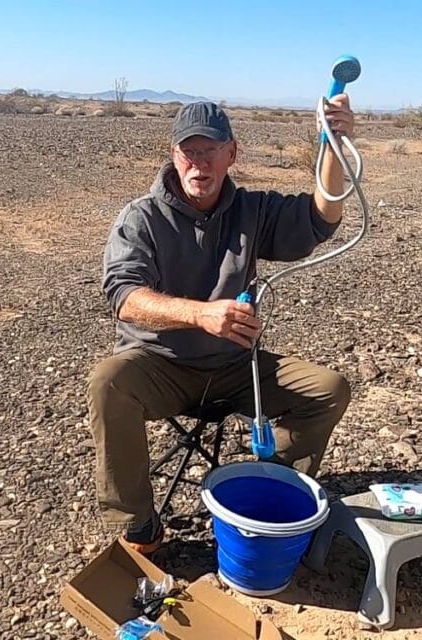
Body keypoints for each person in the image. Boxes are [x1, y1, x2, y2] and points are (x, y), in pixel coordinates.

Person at [88, 98, 355, 554]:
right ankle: (137, 523)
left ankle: (273, 496)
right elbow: (124, 298)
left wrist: (332, 144)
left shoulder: (253, 210)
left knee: (328, 388)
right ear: (173, 156)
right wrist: (200, 314)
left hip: (235, 367)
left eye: (210, 150)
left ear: (232, 153)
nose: (199, 163)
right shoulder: (141, 218)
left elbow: (321, 217)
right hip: (161, 365)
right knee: (108, 381)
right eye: (189, 152)